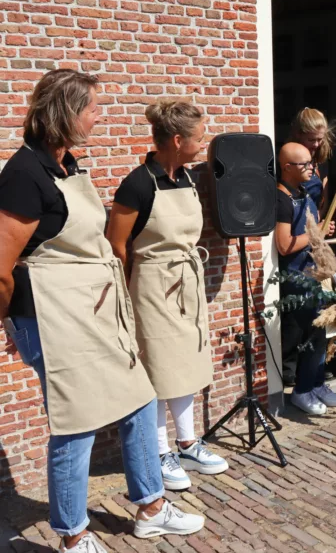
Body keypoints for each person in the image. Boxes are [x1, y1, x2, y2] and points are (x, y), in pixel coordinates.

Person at [0, 70, 203, 553]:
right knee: (78, 420)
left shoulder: (66, 165)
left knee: (139, 398)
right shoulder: (23, 174)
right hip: (50, 317)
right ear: (67, 113)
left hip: (92, 311)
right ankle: (73, 535)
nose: (98, 118)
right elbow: (1, 266)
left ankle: (150, 508)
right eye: (93, 109)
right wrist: (10, 321)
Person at [106, 100, 229, 492]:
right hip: (151, 286)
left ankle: (188, 443)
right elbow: (116, 244)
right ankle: (159, 452)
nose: (202, 143)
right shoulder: (137, 184)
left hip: (186, 282)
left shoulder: (187, 178)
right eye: (198, 138)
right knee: (157, 368)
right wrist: (130, 294)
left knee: (186, 363)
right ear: (177, 140)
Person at [275, 142, 336, 415]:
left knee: (321, 333)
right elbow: (284, 244)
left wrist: (323, 230)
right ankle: (302, 390)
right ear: (287, 167)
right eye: (304, 164)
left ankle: (315, 383)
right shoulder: (281, 199)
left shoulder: (303, 192)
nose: (311, 168)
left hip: (313, 272)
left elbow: (313, 230)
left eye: (311, 163)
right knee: (314, 333)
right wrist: (317, 233)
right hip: (296, 276)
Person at [289, 108, 336, 215]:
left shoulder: (321, 161)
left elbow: (324, 201)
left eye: (320, 139)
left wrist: (318, 219)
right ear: (298, 135)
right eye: (311, 140)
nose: (316, 144)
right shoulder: (290, 160)